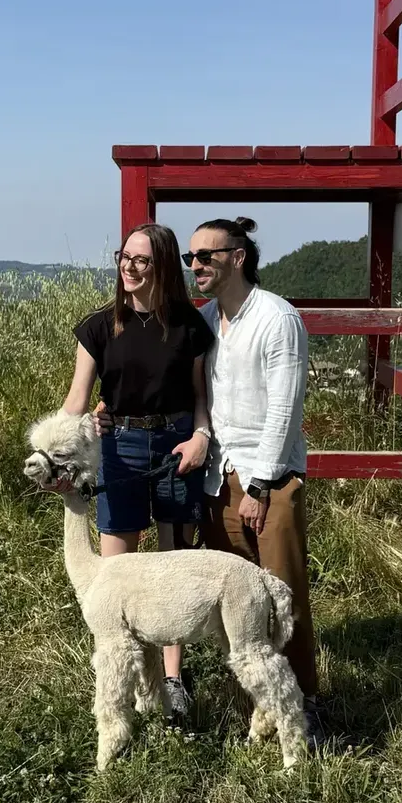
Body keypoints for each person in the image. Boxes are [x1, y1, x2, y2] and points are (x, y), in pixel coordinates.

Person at [62, 222, 213, 724]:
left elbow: (199, 398)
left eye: (141, 260)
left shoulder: (189, 326)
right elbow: (76, 404)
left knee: (175, 568)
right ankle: (123, 689)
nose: (128, 267)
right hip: (119, 448)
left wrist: (200, 437)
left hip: (176, 447)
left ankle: (172, 682)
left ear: (163, 266)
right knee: (116, 576)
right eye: (123, 257)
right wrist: (64, 451)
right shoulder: (99, 327)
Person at [183, 215, 326, 747]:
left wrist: (261, 486)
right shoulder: (205, 320)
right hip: (219, 476)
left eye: (206, 256)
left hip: (268, 478)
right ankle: (259, 706)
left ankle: (303, 707)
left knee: (283, 597)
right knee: (237, 604)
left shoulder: (277, 319)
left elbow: (284, 410)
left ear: (237, 258)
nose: (195, 265)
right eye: (190, 257)